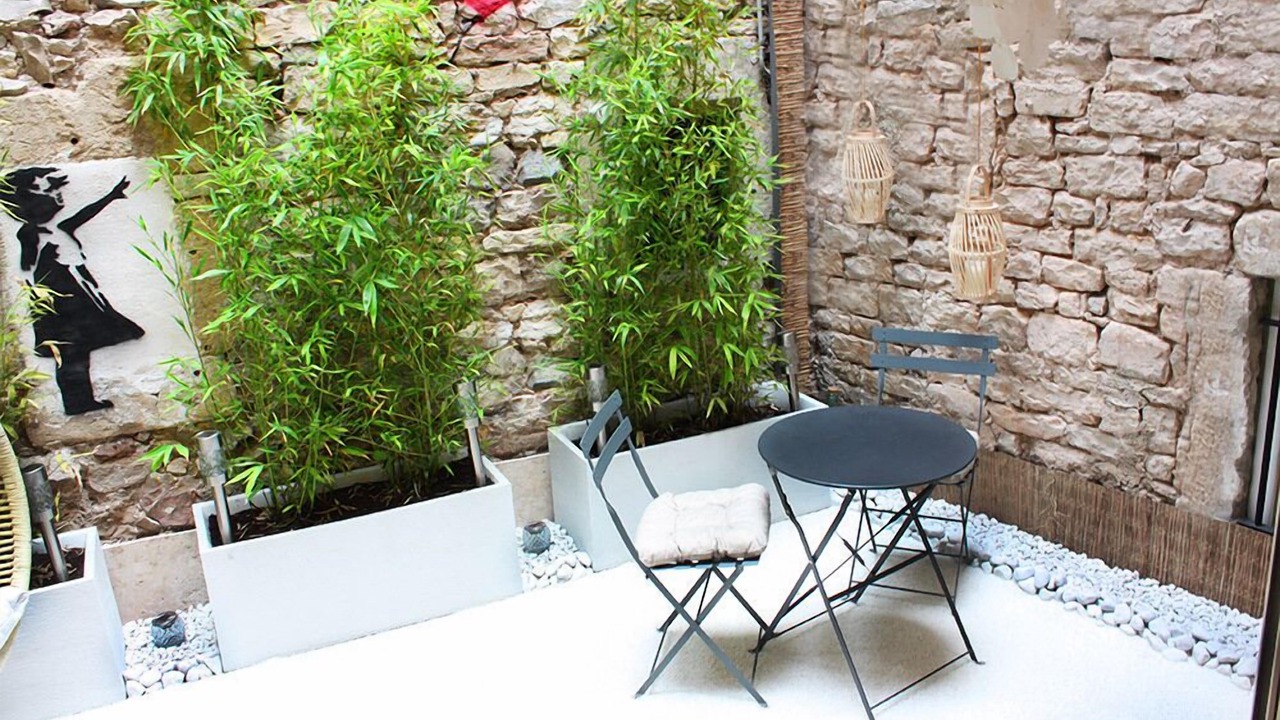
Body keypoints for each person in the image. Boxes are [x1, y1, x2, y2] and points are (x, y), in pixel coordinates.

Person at [1, 168, 145, 415]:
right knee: (69, 358)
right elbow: (27, 267)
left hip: (77, 304)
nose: (57, 192)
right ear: (27, 201)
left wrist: (111, 196)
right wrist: (46, 257)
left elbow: (83, 215)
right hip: (58, 308)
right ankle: (76, 402)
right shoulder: (30, 233)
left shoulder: (58, 228)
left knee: (79, 354)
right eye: (48, 188)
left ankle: (83, 401)